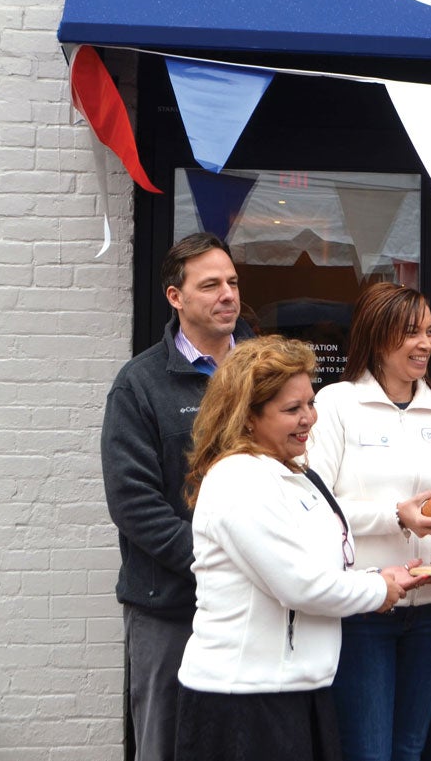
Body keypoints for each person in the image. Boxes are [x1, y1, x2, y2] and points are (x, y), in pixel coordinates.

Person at [175, 335, 420, 761]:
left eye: (310, 402)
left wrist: (376, 576)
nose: (309, 418)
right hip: (245, 701)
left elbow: (315, 567)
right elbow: (299, 584)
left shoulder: (294, 472)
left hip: (295, 690)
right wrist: (379, 589)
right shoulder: (239, 478)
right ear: (247, 418)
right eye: (292, 409)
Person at [310, 283, 431, 761]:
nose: (426, 343)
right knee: (368, 752)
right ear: (376, 336)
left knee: (411, 747)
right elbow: (316, 504)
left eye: (428, 331)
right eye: (410, 333)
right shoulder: (336, 405)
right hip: (365, 605)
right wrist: (395, 518)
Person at [100, 232, 254, 761]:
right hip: (169, 608)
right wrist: (217, 559)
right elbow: (133, 504)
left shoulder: (267, 375)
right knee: (165, 744)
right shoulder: (139, 384)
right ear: (175, 297)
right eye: (210, 284)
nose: (227, 294)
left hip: (256, 602)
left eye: (232, 282)